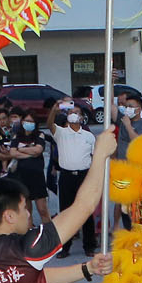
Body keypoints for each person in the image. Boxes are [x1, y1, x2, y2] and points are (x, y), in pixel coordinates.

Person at [52, 104, 99, 255]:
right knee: (66, 212)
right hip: (66, 176)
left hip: (84, 176)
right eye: (71, 112)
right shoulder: (61, 133)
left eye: (76, 112)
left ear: (81, 117)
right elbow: (49, 125)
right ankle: (65, 247)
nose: (73, 115)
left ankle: (89, 246)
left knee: (86, 211)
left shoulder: (88, 136)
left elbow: (95, 157)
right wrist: (54, 110)